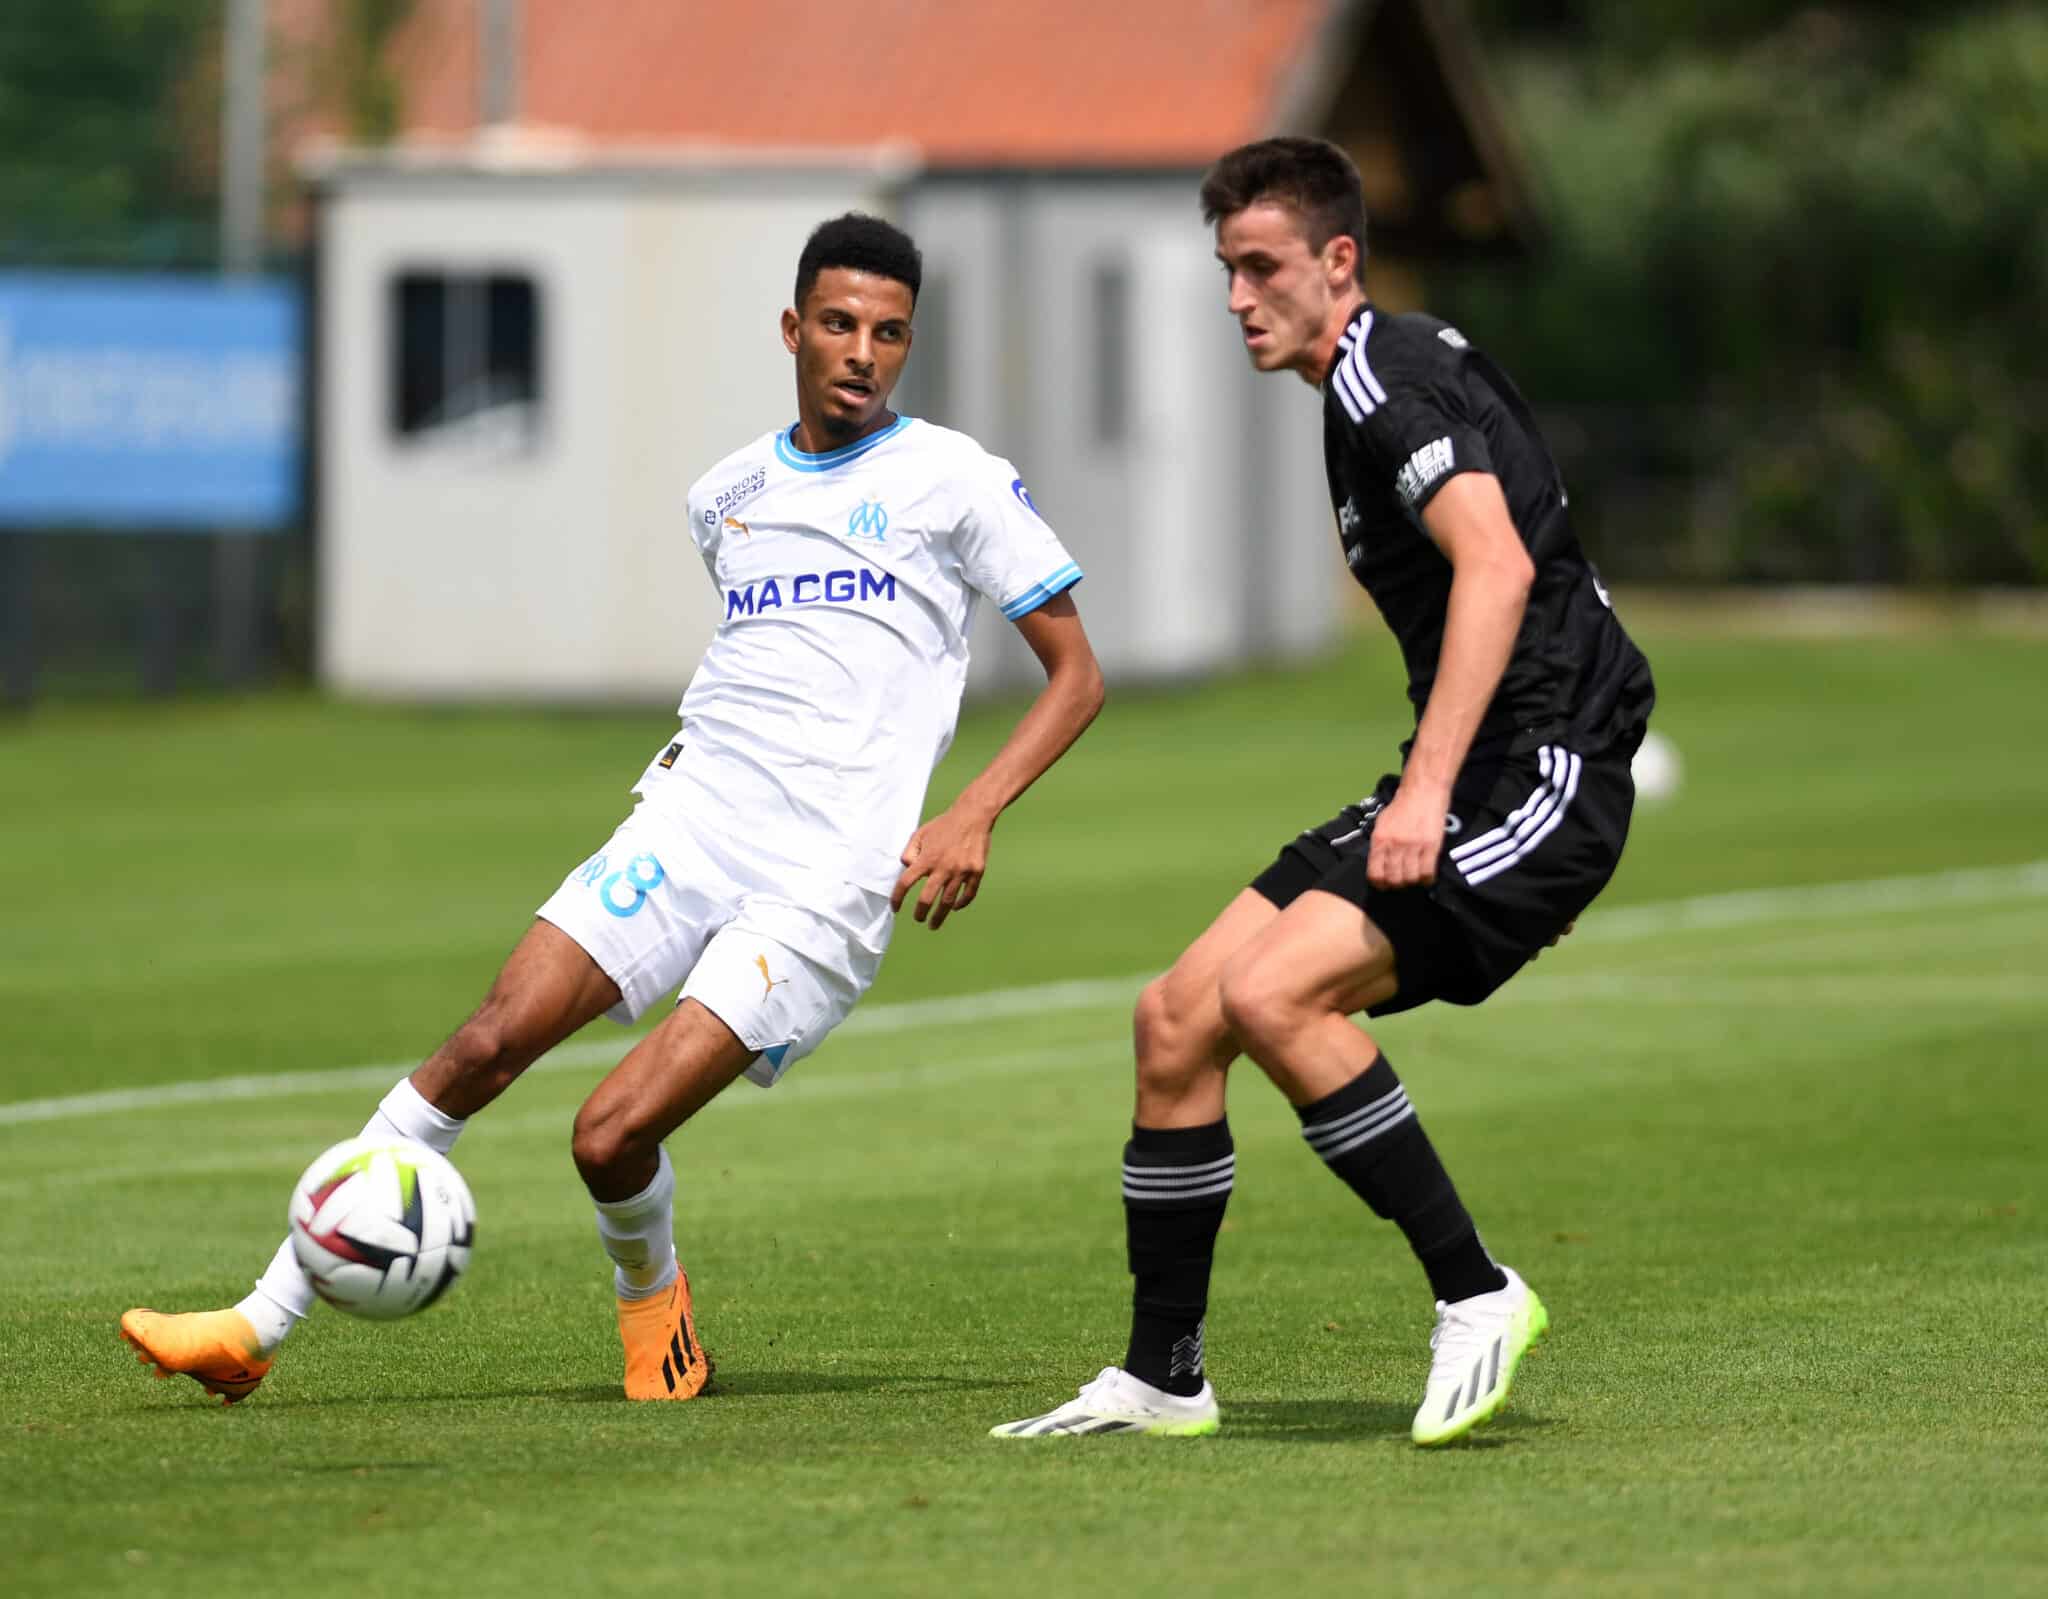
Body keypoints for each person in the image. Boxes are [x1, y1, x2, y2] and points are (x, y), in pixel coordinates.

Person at [122, 213, 1105, 1405]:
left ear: (908, 344)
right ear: (791, 329)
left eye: (888, 333)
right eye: (838, 325)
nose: (861, 352)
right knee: (486, 1041)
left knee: (606, 1135)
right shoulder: (725, 493)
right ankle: (255, 1324)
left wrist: (972, 813)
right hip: (690, 823)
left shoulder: (950, 479)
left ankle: (655, 1309)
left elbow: (1077, 676)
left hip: (822, 886)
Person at [993, 138, 1655, 1445]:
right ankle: (1162, 1373)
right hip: (1486, 772)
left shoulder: (1379, 381)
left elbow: (1500, 569)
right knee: (1176, 1014)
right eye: (1225, 269)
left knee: (1270, 990)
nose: (1238, 295)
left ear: (1336, 263)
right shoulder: (1377, 373)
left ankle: (1476, 1289)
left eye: (1262, 267)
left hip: (1534, 768)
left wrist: (1433, 803)